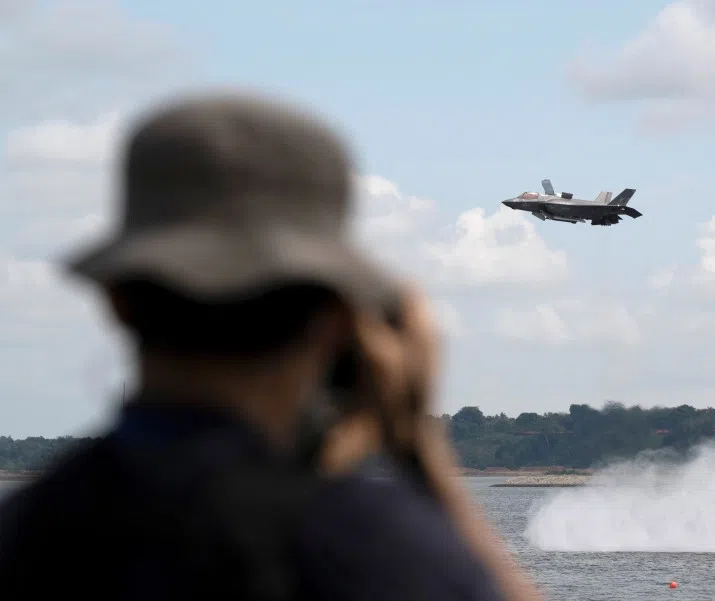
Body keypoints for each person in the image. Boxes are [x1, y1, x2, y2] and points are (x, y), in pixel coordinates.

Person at [0, 92, 543, 601]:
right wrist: (421, 454)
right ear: (338, 320)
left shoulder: (26, 533)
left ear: (117, 300)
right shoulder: (377, 552)